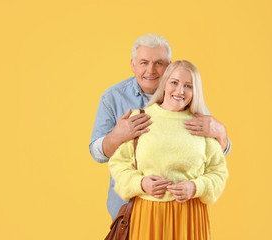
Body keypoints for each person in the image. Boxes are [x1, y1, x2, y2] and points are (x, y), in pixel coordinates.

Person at [89, 33, 231, 220]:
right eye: (144, 62)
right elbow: (97, 155)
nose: (151, 70)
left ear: (169, 66)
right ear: (132, 65)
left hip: (183, 212)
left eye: (159, 63)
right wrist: (117, 135)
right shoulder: (113, 98)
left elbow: (216, 157)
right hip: (129, 210)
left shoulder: (187, 98)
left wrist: (221, 133)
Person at [108, 60, 228, 239]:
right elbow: (119, 165)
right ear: (164, 83)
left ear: (195, 91)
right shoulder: (140, 119)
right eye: (174, 82)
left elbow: (218, 172)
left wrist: (195, 187)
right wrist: (141, 184)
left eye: (188, 86)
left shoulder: (203, 124)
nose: (180, 91)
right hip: (148, 216)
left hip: (190, 219)